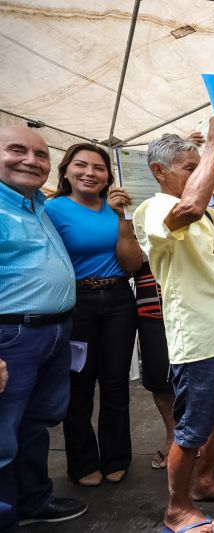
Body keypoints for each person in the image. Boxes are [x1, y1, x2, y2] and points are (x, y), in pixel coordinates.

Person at [134, 116, 214, 533]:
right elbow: (186, 208)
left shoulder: (207, 215)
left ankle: (205, 482)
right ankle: (176, 508)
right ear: (160, 171)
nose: (197, 171)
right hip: (201, 343)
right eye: (188, 167)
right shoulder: (154, 209)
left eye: (196, 165)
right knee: (190, 430)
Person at [0, 125, 87, 529]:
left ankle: (34, 501)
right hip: (12, 337)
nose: (31, 161)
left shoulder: (36, 205)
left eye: (40, 154)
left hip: (53, 332)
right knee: (2, 435)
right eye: (17, 150)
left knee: (36, 423)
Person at [44, 143, 142, 487]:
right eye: (81, 165)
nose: (89, 173)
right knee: (79, 383)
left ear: (107, 176)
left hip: (118, 299)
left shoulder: (116, 209)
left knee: (115, 382)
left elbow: (131, 265)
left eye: (98, 168)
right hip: (76, 302)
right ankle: (83, 462)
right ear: (66, 170)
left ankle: (116, 457)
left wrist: (120, 220)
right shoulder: (51, 210)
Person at [133, 260, 175, 470]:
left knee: (197, 372)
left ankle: (195, 436)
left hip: (191, 292)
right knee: (159, 377)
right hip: (151, 299)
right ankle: (173, 435)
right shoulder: (134, 225)